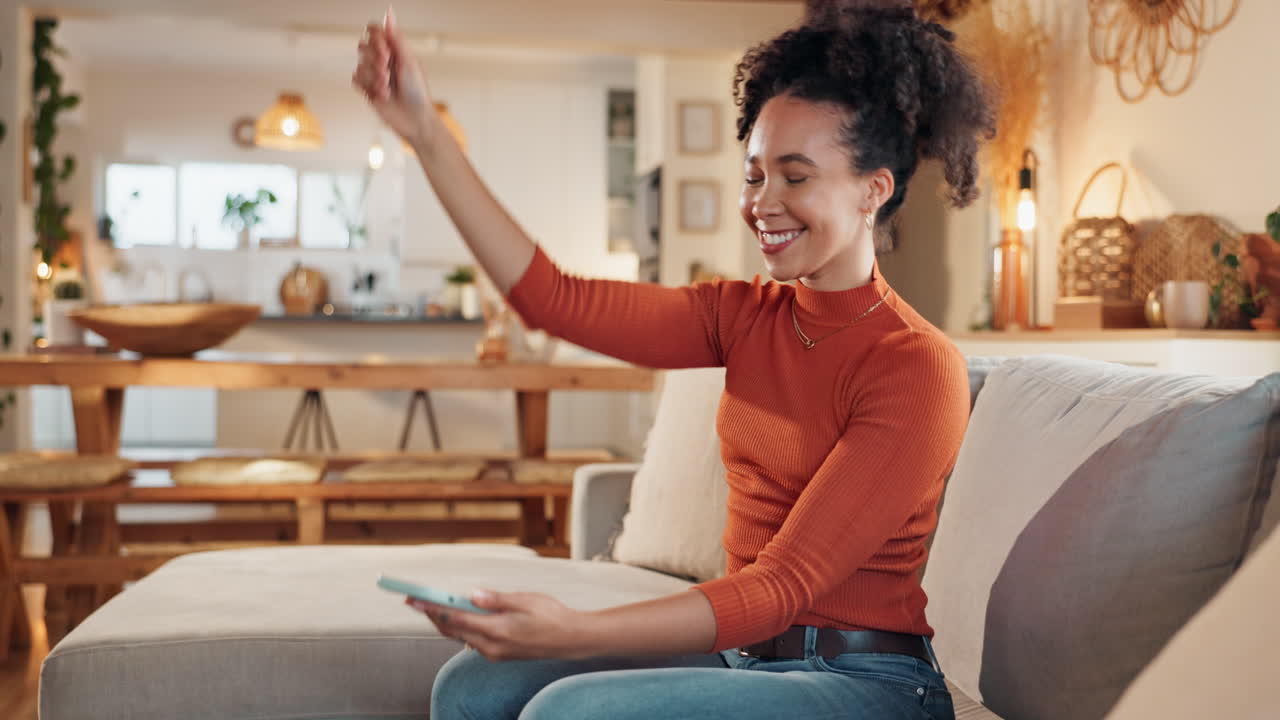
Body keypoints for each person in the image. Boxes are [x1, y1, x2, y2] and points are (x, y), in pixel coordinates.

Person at [353, 1, 994, 717]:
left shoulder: (915, 366)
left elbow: (780, 586)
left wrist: (572, 631)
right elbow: (554, 299)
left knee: (570, 712)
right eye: (754, 176)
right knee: (472, 685)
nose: (763, 204)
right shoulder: (745, 315)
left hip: (866, 682)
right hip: (744, 657)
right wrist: (425, 134)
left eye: (795, 176)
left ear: (873, 189)